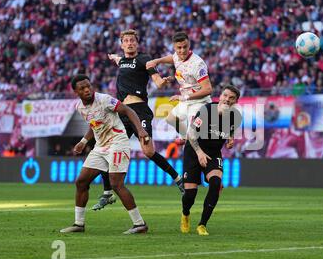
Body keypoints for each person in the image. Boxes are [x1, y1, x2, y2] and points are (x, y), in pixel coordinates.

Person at [89, 29, 185, 211]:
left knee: (148, 152)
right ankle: (107, 193)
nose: (130, 43)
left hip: (140, 110)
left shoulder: (144, 59)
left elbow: (156, 80)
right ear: (122, 44)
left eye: (132, 40)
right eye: (126, 40)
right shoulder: (122, 61)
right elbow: (119, 60)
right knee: (106, 148)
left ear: (137, 43)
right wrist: (113, 57)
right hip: (123, 113)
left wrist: (163, 81)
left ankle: (177, 178)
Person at [60, 74, 150, 234]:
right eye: (82, 88)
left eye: (88, 86)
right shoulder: (79, 107)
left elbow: (128, 110)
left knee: (116, 184)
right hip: (101, 146)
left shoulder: (104, 100)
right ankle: (79, 224)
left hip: (117, 142)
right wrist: (83, 141)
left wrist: (141, 129)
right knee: (81, 182)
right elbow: (94, 125)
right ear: (76, 92)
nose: (87, 89)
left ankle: (140, 224)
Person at [180, 85, 241, 236]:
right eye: (225, 95)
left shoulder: (236, 117)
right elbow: (191, 134)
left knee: (216, 183)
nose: (227, 100)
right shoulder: (207, 110)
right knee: (190, 194)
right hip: (193, 151)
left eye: (231, 98)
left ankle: (202, 225)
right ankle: (185, 214)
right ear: (220, 96)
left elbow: (230, 129)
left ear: (235, 102)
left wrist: (230, 138)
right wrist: (199, 153)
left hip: (213, 153)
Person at [146, 31, 213, 144]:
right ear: (174, 47)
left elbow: (208, 89)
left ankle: (196, 145)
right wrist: (157, 61)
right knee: (171, 119)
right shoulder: (177, 56)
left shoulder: (197, 64)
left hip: (199, 102)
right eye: (179, 48)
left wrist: (184, 97)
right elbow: (173, 58)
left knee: (195, 135)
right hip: (186, 100)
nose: (182, 51)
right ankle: (184, 137)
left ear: (189, 45)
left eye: (185, 47)